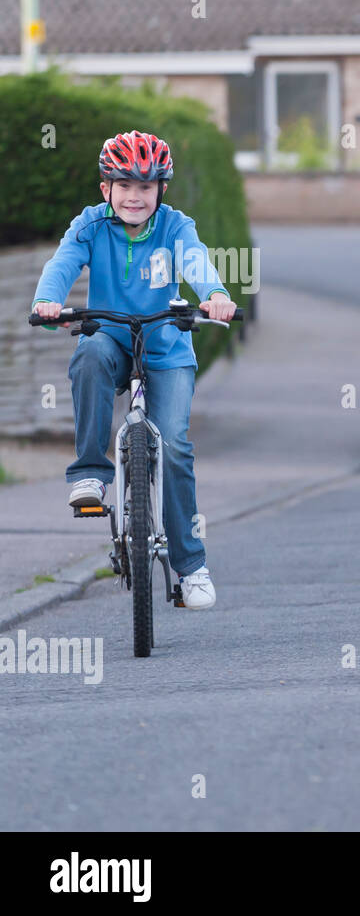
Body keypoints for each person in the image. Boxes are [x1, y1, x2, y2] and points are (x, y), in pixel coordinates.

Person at [31, 130, 238, 608]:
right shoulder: (90, 225)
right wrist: (48, 301)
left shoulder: (175, 227)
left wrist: (218, 295)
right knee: (89, 354)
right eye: (124, 185)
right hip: (111, 337)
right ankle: (89, 473)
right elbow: (62, 263)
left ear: (161, 190)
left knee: (176, 447)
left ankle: (190, 568)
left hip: (166, 347)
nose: (135, 196)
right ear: (106, 189)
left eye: (146, 187)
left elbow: (196, 260)